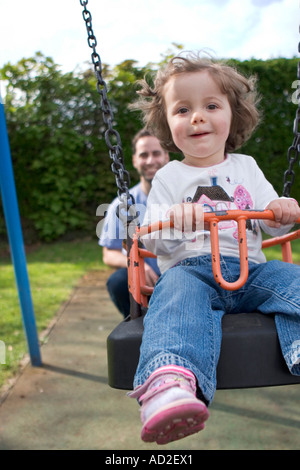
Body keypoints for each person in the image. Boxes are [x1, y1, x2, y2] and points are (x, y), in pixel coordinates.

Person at [128, 52, 300, 445]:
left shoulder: (248, 167)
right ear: (167, 126)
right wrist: (174, 218)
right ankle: (168, 383)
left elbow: (271, 217)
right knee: (175, 298)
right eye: (183, 109)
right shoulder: (169, 176)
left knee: (292, 279)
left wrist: (281, 209)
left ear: (232, 116)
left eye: (210, 106)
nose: (198, 117)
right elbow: (152, 237)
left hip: (251, 268)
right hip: (192, 270)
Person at [99, 129, 169, 318]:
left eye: (156, 153)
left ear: (166, 156)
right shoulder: (123, 203)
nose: (150, 160)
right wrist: (138, 265)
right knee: (118, 281)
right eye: (143, 155)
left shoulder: (182, 197)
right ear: (135, 160)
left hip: (180, 276)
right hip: (145, 282)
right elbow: (109, 254)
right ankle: (138, 325)